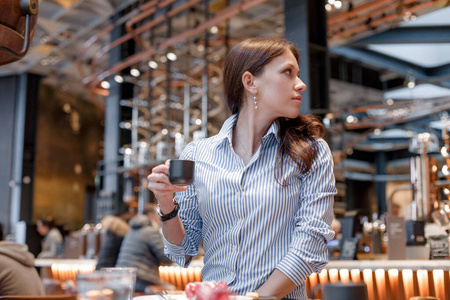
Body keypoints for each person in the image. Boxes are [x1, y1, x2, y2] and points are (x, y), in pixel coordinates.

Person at [147, 37, 336, 299]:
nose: (301, 84)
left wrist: (254, 298)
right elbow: (183, 252)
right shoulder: (197, 154)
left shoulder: (312, 152)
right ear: (250, 82)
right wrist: (166, 203)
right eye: (287, 73)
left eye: (298, 74)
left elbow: (310, 245)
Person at [115, 203, 172, 292]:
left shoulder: (132, 230)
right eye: (159, 214)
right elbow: (167, 258)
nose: (161, 219)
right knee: (172, 289)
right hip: (142, 280)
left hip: (123, 279)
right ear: (151, 216)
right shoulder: (151, 230)